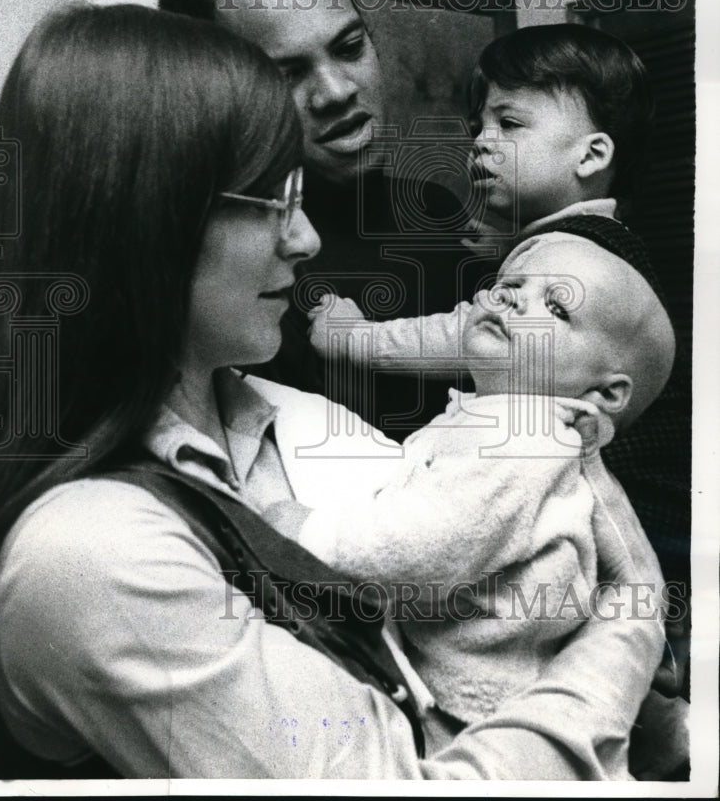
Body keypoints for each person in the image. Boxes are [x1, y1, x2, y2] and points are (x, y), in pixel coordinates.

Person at [0, 2, 666, 780]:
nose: (306, 239)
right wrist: (627, 631)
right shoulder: (90, 552)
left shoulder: (297, 422)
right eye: (271, 200)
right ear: (142, 220)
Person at [308, 24, 692, 607]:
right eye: (478, 127)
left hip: (636, 523)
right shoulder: (588, 244)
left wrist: (354, 337)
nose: (481, 143)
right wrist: (506, 250)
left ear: (592, 154)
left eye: (509, 124)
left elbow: (469, 337)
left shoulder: (566, 256)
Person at [265, 233, 676, 757]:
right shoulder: (514, 426)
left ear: (605, 392)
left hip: (471, 713)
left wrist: (304, 531)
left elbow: (425, 544)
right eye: (512, 285)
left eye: (556, 307)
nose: (514, 301)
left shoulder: (524, 439)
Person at [155, 0, 473, 440]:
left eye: (349, 48)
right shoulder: (236, 271)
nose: (336, 92)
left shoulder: (438, 209)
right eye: (289, 74)